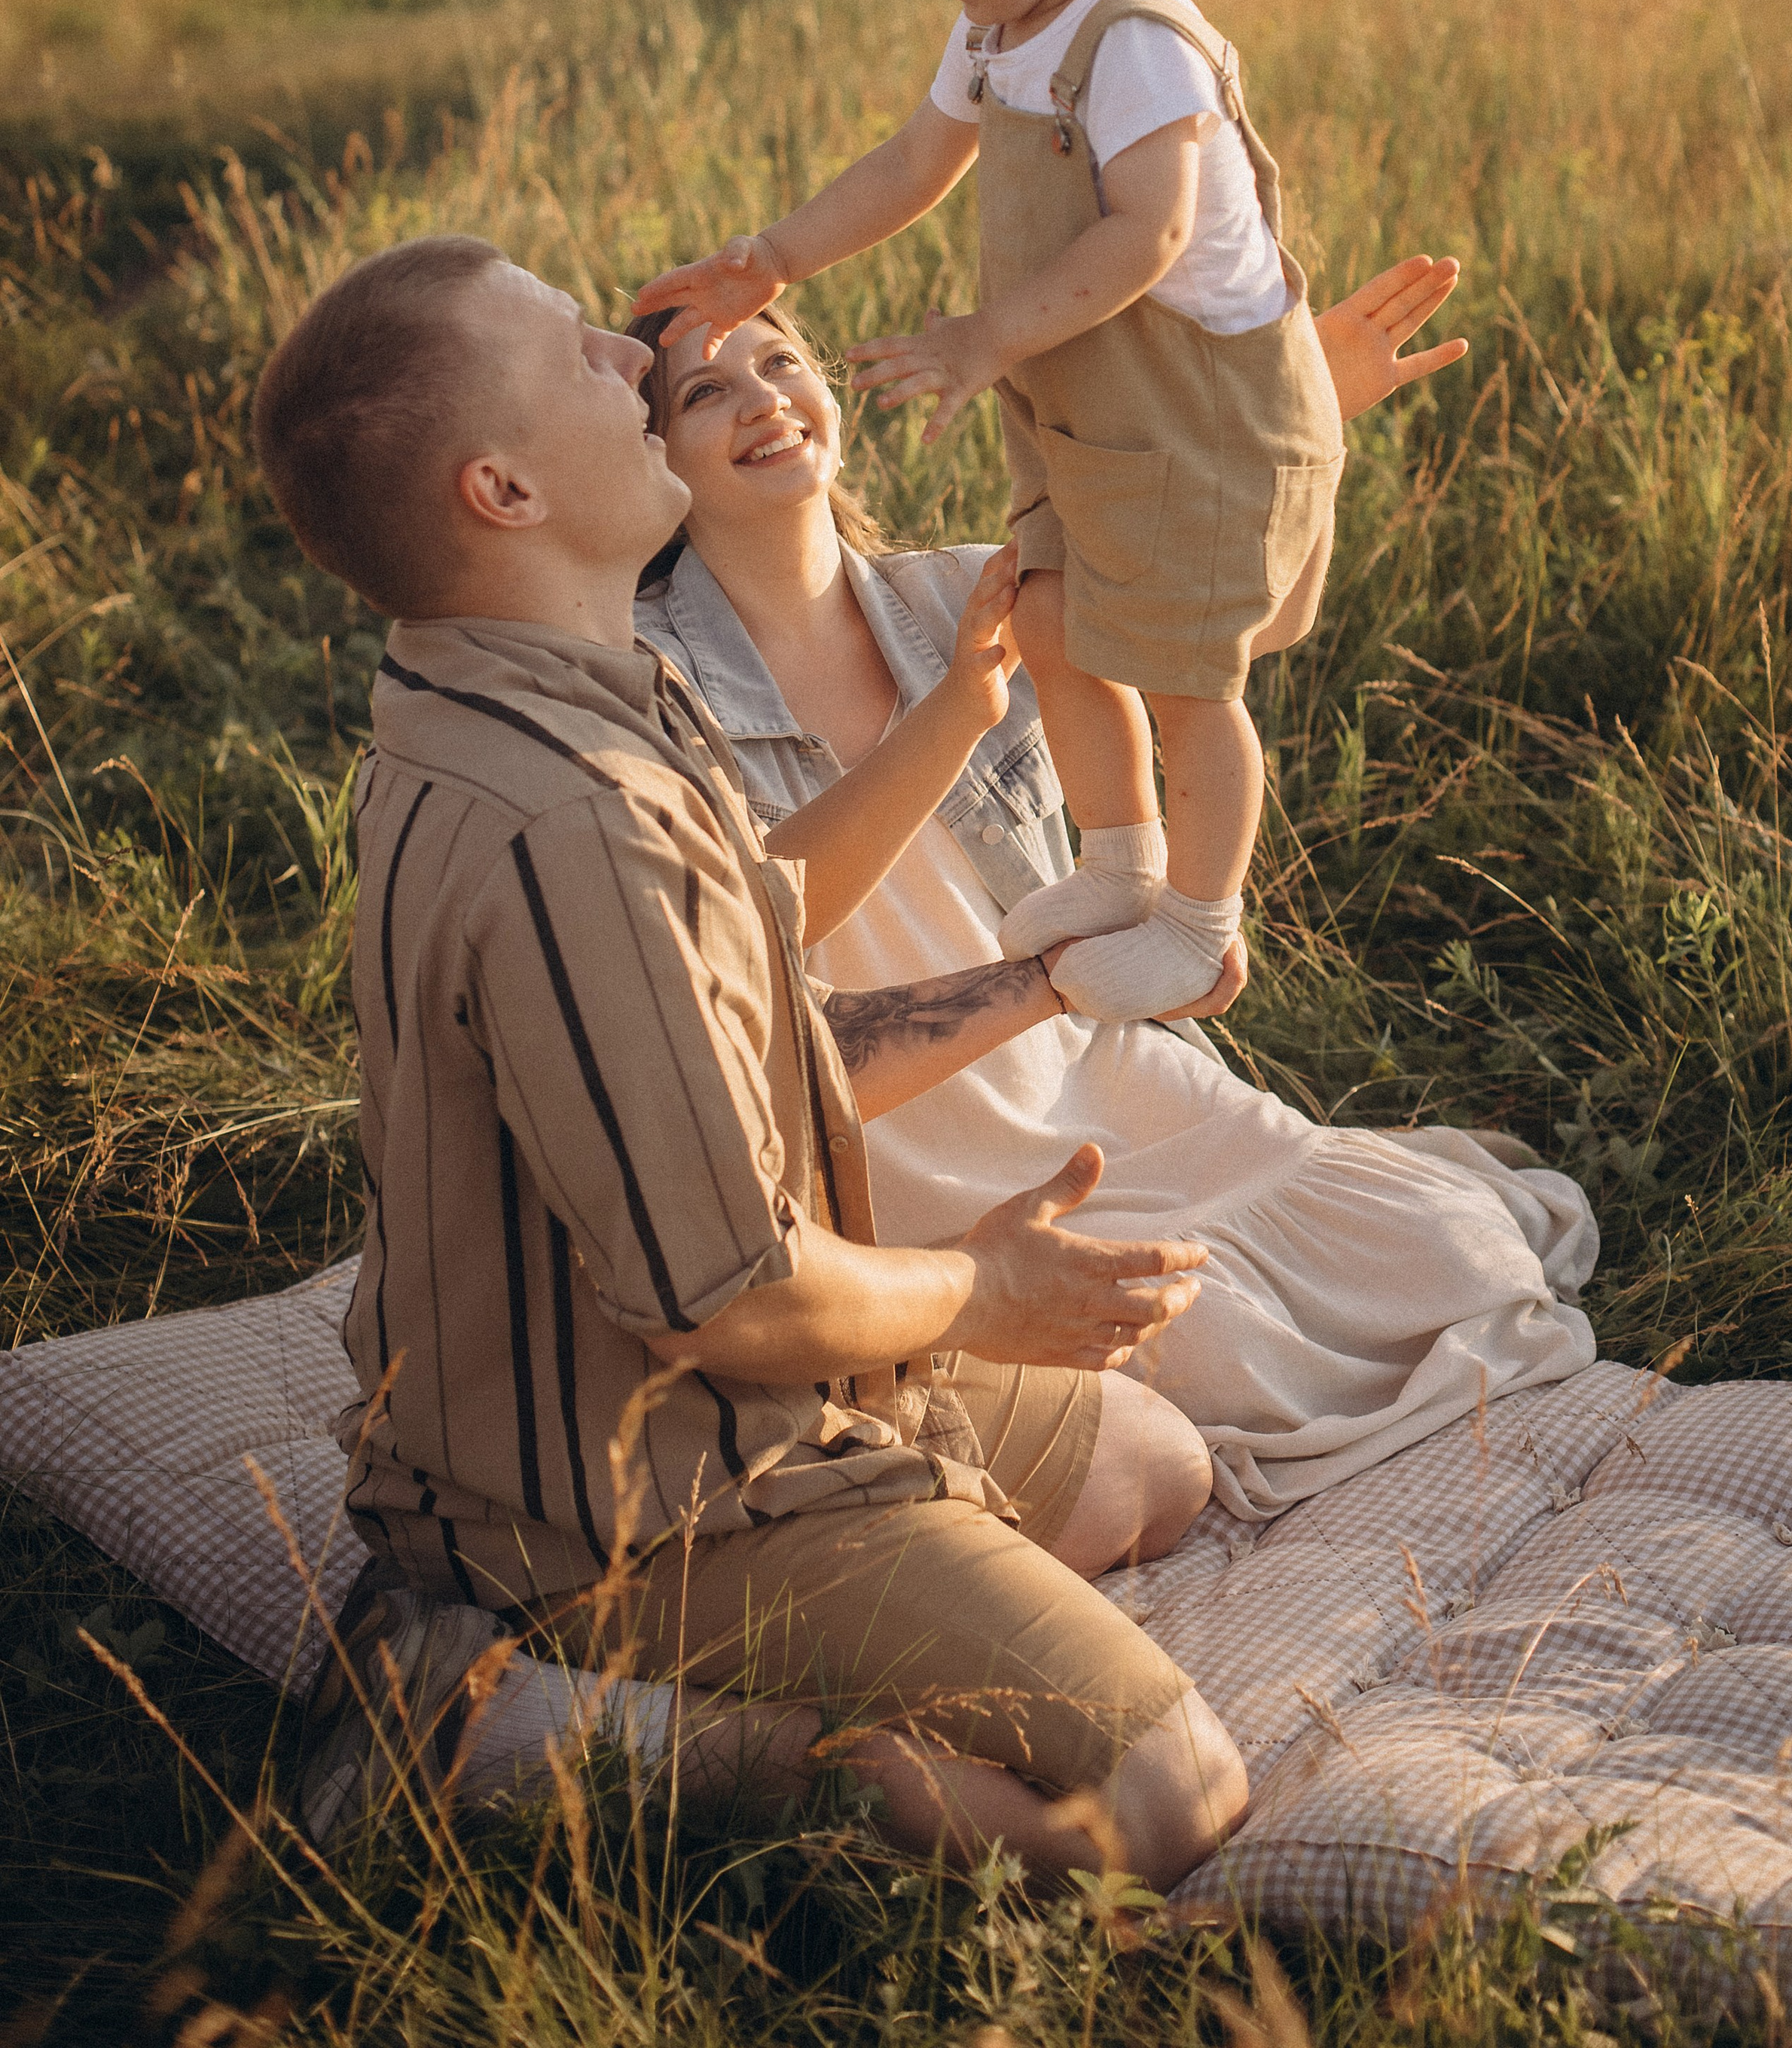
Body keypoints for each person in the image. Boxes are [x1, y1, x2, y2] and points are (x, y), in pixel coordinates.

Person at [249, 233, 1250, 1884]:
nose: (633, 361)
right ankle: (572, 1733)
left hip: (709, 1386)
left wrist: (1034, 951)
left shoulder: (531, 690)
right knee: (1161, 1803)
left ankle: (847, 1585)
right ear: (500, 491)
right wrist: (977, 1292)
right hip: (620, 1491)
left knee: (1151, 1466)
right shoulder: (572, 822)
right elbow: (729, 1303)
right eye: (581, 354)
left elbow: (749, 956)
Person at [627, 301, 1599, 1518]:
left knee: (1465, 1263)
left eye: (780, 361)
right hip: (889, 1155)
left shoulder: (950, 595)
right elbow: (753, 937)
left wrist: (1301, 442)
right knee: (1224, 1359)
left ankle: (1415, 1170)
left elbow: (1229, 637)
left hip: (1082, 1071)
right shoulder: (643, 688)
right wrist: (956, 722)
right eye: (705, 394)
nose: (763, 396)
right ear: (650, 457)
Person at [633, 0, 1469, 1021]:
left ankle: (1199, 920)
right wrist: (778, 257)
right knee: (1050, 616)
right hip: (1091, 397)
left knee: (1191, 681)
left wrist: (978, 340)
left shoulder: (1137, 43)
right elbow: (918, 159)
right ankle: (1123, 858)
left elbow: (1144, 237)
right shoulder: (1001, 20)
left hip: (1202, 409)